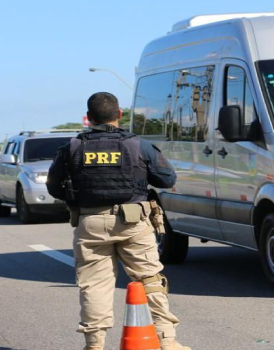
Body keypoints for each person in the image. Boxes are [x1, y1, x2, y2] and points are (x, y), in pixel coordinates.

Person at [47, 92, 190, 350]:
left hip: (90, 223)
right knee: (150, 280)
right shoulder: (138, 145)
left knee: (94, 286)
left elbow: (54, 188)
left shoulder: (72, 147)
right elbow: (167, 179)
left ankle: (94, 345)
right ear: (119, 114)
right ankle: (168, 342)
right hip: (133, 223)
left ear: (88, 118)